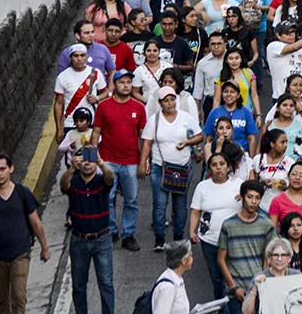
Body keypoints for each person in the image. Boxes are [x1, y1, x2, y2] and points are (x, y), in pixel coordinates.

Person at [0, 154, 50, 314]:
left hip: (20, 254)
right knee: (2, 300)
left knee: (18, 297)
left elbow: (35, 222)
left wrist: (44, 247)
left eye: (2, 169)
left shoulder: (22, 193)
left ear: (11, 169)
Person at [139, 87, 203, 251]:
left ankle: (178, 237)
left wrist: (187, 143)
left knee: (180, 204)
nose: (170, 103)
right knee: (160, 204)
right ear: (160, 103)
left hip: (182, 168)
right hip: (160, 167)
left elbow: (199, 136)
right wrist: (143, 163)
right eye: (166, 100)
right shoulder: (155, 120)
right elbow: (147, 142)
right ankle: (159, 239)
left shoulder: (186, 118)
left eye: (172, 99)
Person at [90, 69, 147, 251]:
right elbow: (96, 132)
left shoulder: (139, 108)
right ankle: (112, 230)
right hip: (108, 160)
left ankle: (128, 234)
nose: (126, 85)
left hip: (131, 160)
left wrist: (144, 161)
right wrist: (93, 159)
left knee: (131, 200)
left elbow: (143, 137)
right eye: (122, 82)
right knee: (107, 197)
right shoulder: (104, 106)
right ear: (114, 85)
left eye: (129, 82)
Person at [60, 148, 115, 314]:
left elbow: (110, 177)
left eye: (90, 160)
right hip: (79, 240)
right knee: (78, 285)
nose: (87, 163)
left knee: (106, 283)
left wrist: (100, 161)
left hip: (102, 239)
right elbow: (63, 185)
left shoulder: (101, 181)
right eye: (83, 160)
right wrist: (71, 168)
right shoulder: (74, 182)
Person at [188, 152, 242, 304]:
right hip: (210, 239)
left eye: (222, 164)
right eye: (214, 165)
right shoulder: (202, 187)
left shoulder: (239, 184)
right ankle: (220, 305)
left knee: (233, 275)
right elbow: (195, 211)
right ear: (209, 168)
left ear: (228, 167)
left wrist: (245, 197)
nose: (219, 168)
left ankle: (235, 306)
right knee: (216, 277)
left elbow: (252, 203)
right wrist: (192, 231)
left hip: (234, 239)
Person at [217, 180, 277, 314]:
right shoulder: (228, 225)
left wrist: (263, 283)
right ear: (242, 197)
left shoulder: (266, 225)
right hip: (236, 288)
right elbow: (221, 259)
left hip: (259, 287)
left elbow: (269, 257)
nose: (253, 201)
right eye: (250, 197)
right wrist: (234, 287)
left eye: (257, 198)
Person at [150, 240, 194, 314]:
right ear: (184, 261)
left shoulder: (175, 278)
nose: (192, 258)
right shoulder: (168, 288)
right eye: (191, 256)